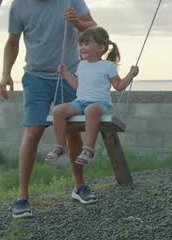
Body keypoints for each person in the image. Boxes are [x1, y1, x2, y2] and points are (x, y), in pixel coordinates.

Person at [0, 0, 98, 219]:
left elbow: (95, 29)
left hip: (69, 75)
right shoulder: (19, 6)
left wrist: (78, 23)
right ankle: (22, 197)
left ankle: (79, 186)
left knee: (73, 132)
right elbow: (12, 42)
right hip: (36, 77)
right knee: (33, 131)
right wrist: (5, 74)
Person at [45, 27, 139, 166]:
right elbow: (77, 85)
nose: (82, 47)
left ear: (100, 48)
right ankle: (61, 146)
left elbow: (119, 86)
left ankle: (88, 149)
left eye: (87, 44)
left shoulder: (108, 66)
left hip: (100, 105)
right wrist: (65, 73)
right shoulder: (81, 65)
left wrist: (131, 74)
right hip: (80, 102)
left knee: (90, 110)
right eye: (81, 44)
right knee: (58, 110)